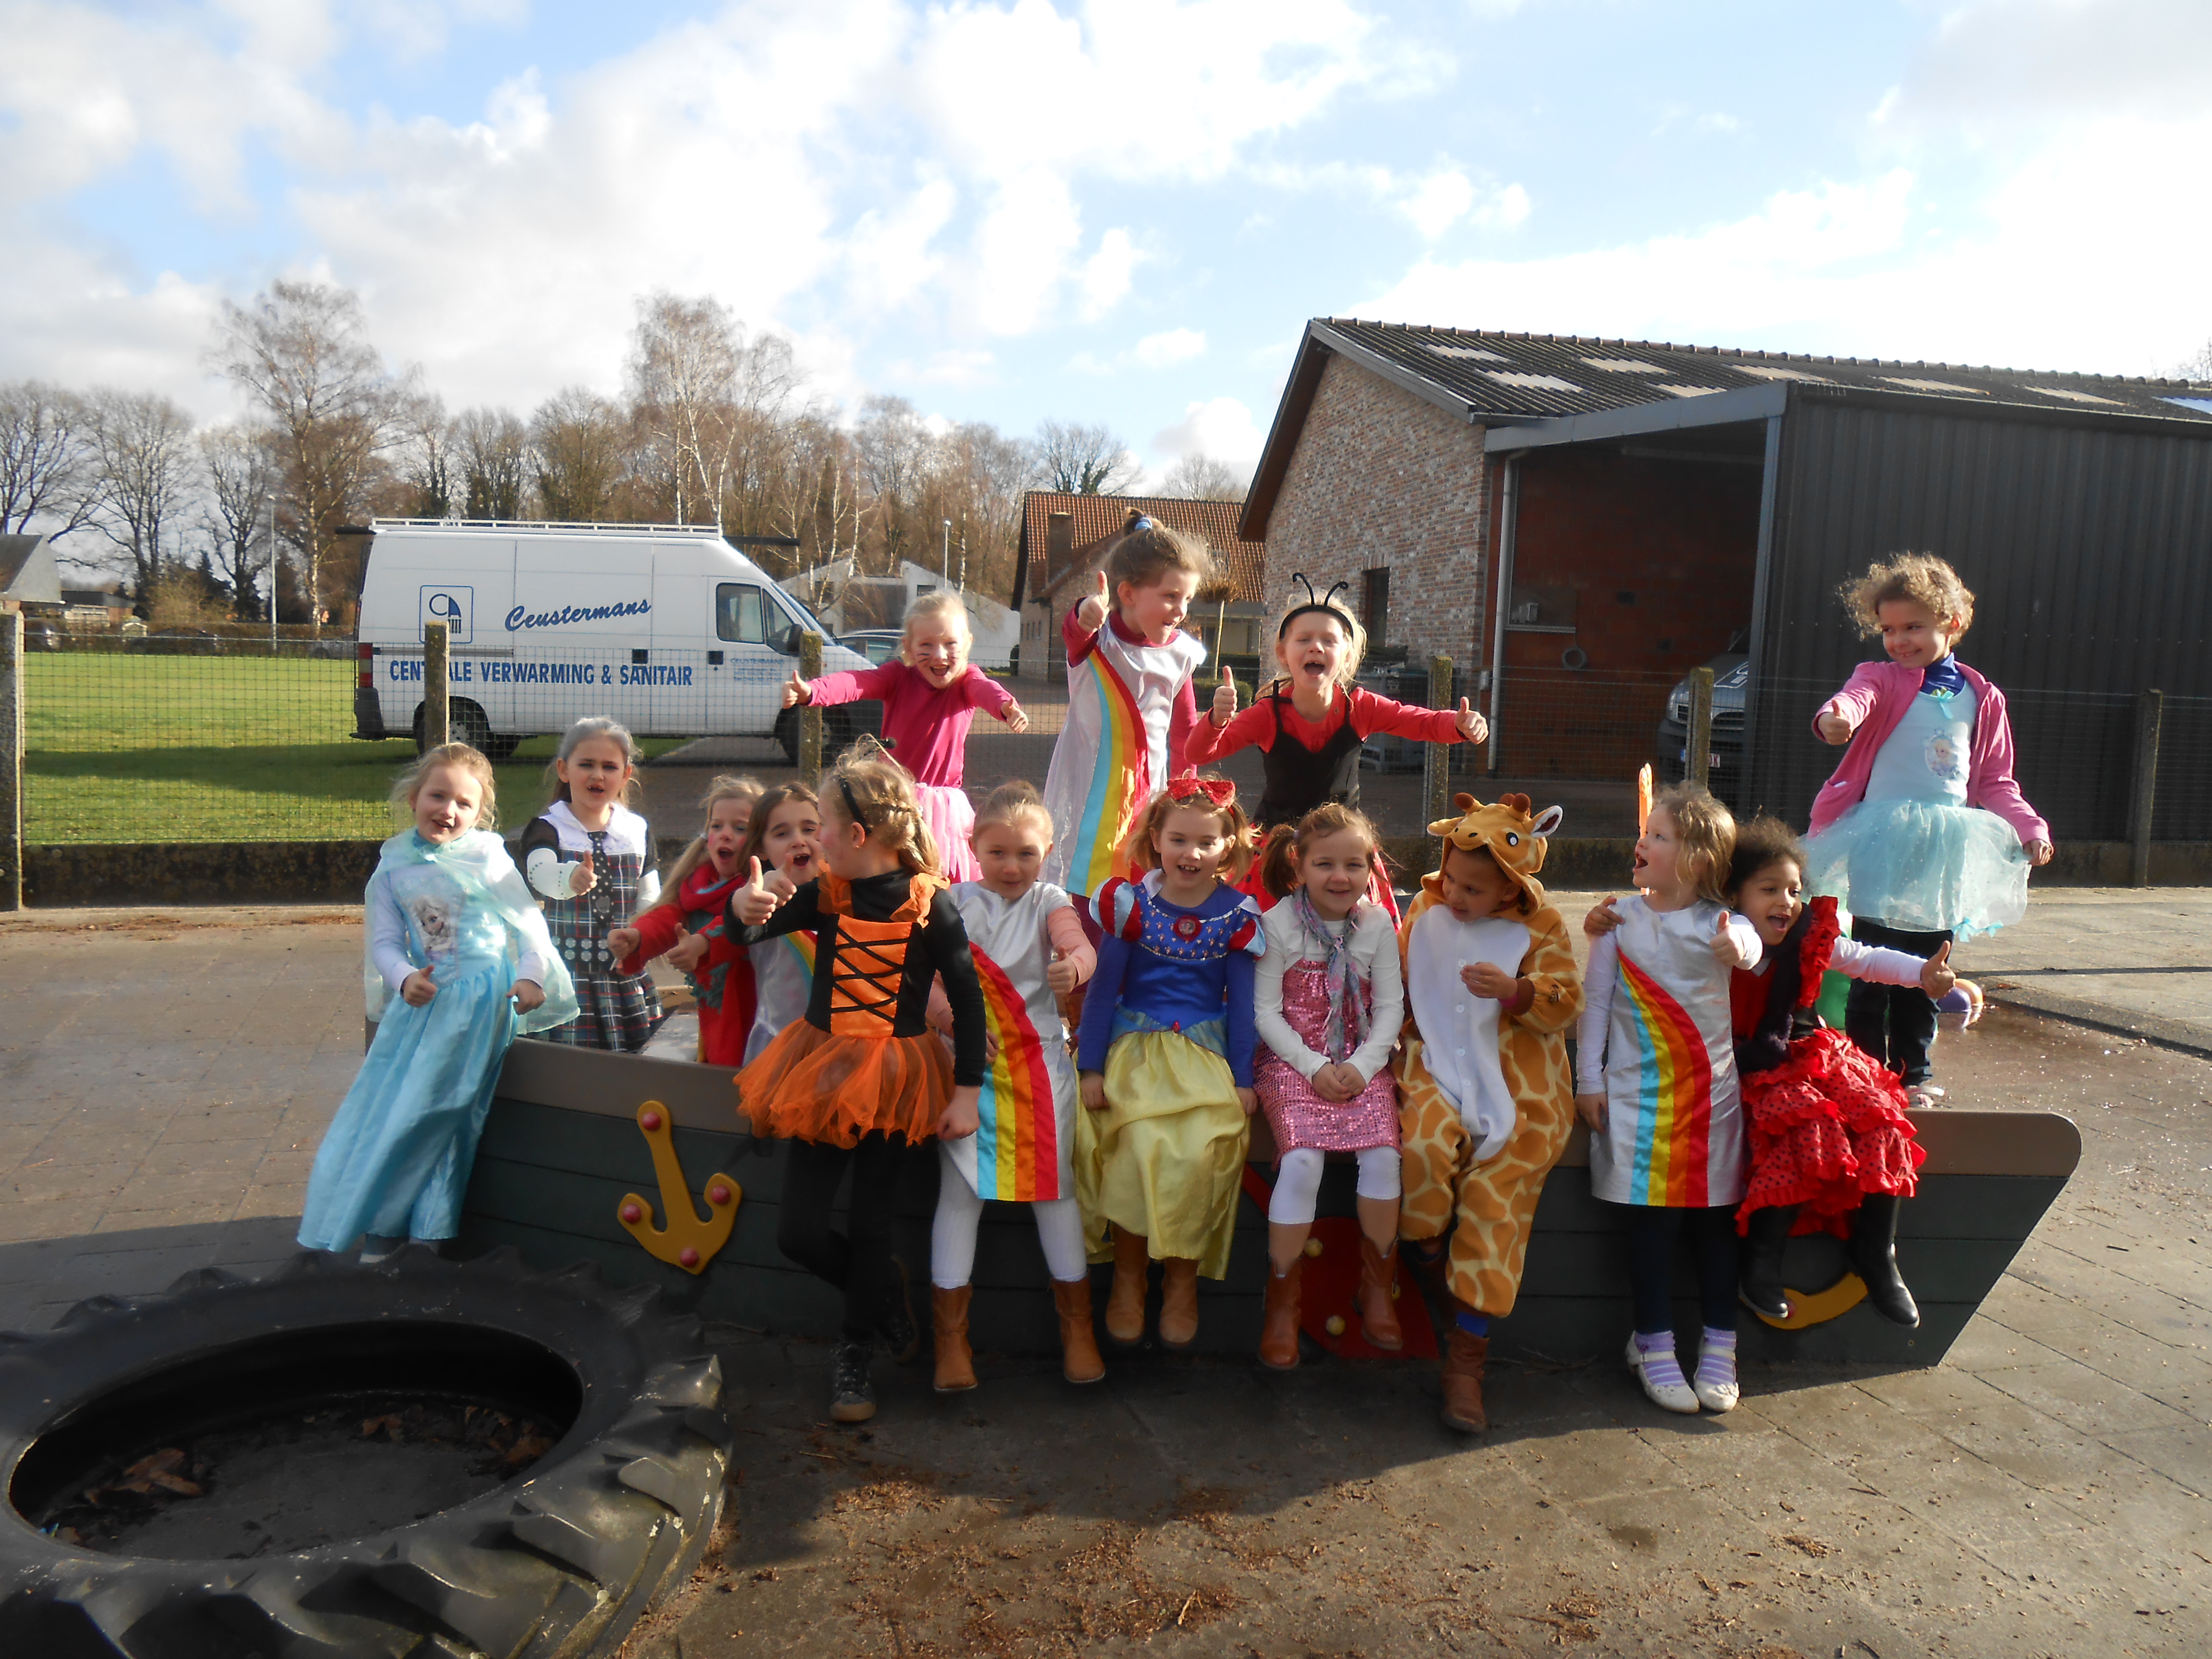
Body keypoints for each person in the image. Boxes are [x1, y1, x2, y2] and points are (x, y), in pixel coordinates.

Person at [729, 745, 986, 1424]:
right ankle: (880, 1302)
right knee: (799, 1233)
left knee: (872, 1225)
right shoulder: (826, 895)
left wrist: (967, 1091)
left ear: (857, 837)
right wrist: (744, 903)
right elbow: (746, 931)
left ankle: (853, 1351)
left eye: (821, 827)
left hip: (898, 1079)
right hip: (821, 1074)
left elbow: (968, 999)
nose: (812, 840)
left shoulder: (931, 906)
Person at [301, 744, 577, 1258]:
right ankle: (410, 1229)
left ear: (480, 814)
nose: (448, 810)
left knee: (435, 1109)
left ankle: (398, 1231)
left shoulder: (488, 859)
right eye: (438, 795)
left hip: (479, 1000)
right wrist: (404, 977)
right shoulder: (394, 865)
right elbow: (384, 942)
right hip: (424, 1004)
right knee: (389, 1106)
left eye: (464, 804)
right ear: (413, 798)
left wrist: (531, 977)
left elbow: (528, 926)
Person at [1803, 554, 2052, 1106]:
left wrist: (2029, 828)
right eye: (1888, 629)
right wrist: (1834, 719)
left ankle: (1913, 1073)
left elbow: (1995, 780)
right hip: (1881, 839)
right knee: (1870, 963)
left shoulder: (1981, 697)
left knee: (1929, 969)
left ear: (1952, 624)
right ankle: (1866, 1072)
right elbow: (1851, 700)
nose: (1898, 640)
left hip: (1945, 849)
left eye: (1913, 627)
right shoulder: (1881, 678)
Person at [1394, 794, 1583, 1433]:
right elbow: (1396, 978)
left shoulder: (1544, 925)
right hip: (1435, 1063)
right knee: (1418, 1151)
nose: (1454, 896)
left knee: (1496, 1196)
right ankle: (1437, 1282)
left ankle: (1466, 1362)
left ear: (1510, 887)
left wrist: (1518, 991)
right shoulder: (1423, 908)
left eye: (1473, 889)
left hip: (1517, 1076)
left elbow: (1566, 1000)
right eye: (1449, 879)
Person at [1575, 784, 1760, 1416]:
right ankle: (1652, 1344)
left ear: (1699, 860)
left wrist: (1741, 947)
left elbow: (1754, 950)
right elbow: (1594, 1004)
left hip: (1712, 1105)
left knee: (1714, 1225)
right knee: (1652, 1224)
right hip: (1634, 1103)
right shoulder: (1617, 919)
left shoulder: (1722, 924)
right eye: (1646, 834)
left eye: (1659, 837)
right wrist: (1588, 1083)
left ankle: (1719, 1346)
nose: (1642, 843)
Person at [1722, 816, 1947, 1328]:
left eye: (1794, 890)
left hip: (1811, 1047)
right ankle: (1760, 1263)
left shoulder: (1809, 935)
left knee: (1883, 1114)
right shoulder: (1719, 934)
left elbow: (1864, 959)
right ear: (1736, 894)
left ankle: (1877, 1253)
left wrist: (1920, 974)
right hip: (1753, 1058)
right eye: (1769, 890)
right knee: (1805, 1124)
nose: (1785, 901)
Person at [924, 781, 1104, 1391]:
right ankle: (951, 1343)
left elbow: (1079, 944)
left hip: (1039, 1070)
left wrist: (1074, 965)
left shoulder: (1051, 900)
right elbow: (919, 979)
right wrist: (949, 1018)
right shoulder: (949, 902)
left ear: (1048, 852)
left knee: (1056, 1194)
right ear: (974, 848)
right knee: (958, 1197)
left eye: (1026, 853)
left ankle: (1078, 1332)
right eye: (998, 852)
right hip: (966, 1072)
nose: (1011, 866)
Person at [1076, 774, 1264, 1352]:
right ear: (1156, 838)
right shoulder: (1131, 906)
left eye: (1206, 842)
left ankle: (1181, 1277)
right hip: (1135, 1048)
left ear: (1228, 847)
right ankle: (1130, 1276)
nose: (1191, 853)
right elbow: (1105, 989)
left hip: (1204, 1052)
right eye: (1179, 840)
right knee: (1137, 1144)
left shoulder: (1237, 914)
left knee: (1205, 1144)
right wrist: (1091, 1066)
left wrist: (1243, 1079)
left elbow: (1245, 1006)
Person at [1185, 574, 1487, 917]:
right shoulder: (1267, 714)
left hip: (1344, 853)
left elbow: (1420, 721)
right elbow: (1198, 754)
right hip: (1280, 854)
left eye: (1329, 640)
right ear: (1284, 654)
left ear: (1346, 656)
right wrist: (1216, 719)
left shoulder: (1360, 706)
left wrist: (1460, 725)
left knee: (1363, 944)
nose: (1316, 647)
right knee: (1266, 943)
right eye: (1305, 639)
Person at [1250, 804, 1406, 1370]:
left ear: (1371, 869)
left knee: (1386, 1156)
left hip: (1359, 1063)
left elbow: (1390, 1008)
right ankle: (1283, 1304)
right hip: (1293, 1063)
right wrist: (1314, 1067)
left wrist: (1364, 1068)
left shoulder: (1377, 926)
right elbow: (1265, 1013)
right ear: (1299, 866)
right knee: (1303, 1164)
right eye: (1325, 865)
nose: (1340, 877)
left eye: (1354, 864)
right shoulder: (1278, 925)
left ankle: (1376, 1286)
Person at [1040, 513, 1216, 933]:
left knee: (1138, 884)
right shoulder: (1097, 640)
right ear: (1128, 593)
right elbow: (1075, 629)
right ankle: (1080, 978)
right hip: (1089, 787)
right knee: (1084, 880)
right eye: (1171, 596)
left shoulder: (1182, 654)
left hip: (1149, 789)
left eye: (1187, 599)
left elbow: (1185, 729)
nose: (1181, 610)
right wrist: (1087, 611)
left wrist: (1185, 788)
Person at [783, 591, 1029, 884]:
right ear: (909, 649)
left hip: (941, 806)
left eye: (950, 644)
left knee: (939, 879)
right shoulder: (897, 678)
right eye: (927, 645)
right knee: (885, 873)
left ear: (968, 644)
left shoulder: (967, 680)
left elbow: (986, 690)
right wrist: (813, 692)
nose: (939, 656)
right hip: (892, 799)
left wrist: (1005, 707)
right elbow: (857, 683)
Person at [518, 717, 663, 1051]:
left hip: (625, 976)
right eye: (587, 764)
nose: (598, 775)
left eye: (609, 767)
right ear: (564, 769)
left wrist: (640, 935)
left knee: (634, 1069)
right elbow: (538, 872)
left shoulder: (636, 830)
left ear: (625, 774)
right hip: (566, 979)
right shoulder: (548, 827)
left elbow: (651, 897)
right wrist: (567, 877)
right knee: (569, 1073)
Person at [608, 775, 763, 1065]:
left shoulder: (762, 889)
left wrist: (703, 944)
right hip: (717, 1017)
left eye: (740, 828)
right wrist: (637, 936)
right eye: (716, 826)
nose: (725, 834)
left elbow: (742, 923)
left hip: (758, 1017)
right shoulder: (699, 887)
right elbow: (670, 917)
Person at [733, 783, 822, 1064]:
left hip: (840, 1055)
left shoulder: (849, 893)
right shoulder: (763, 900)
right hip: (778, 1053)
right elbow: (737, 926)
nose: (798, 840)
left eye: (810, 829)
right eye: (782, 834)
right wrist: (742, 904)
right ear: (760, 847)